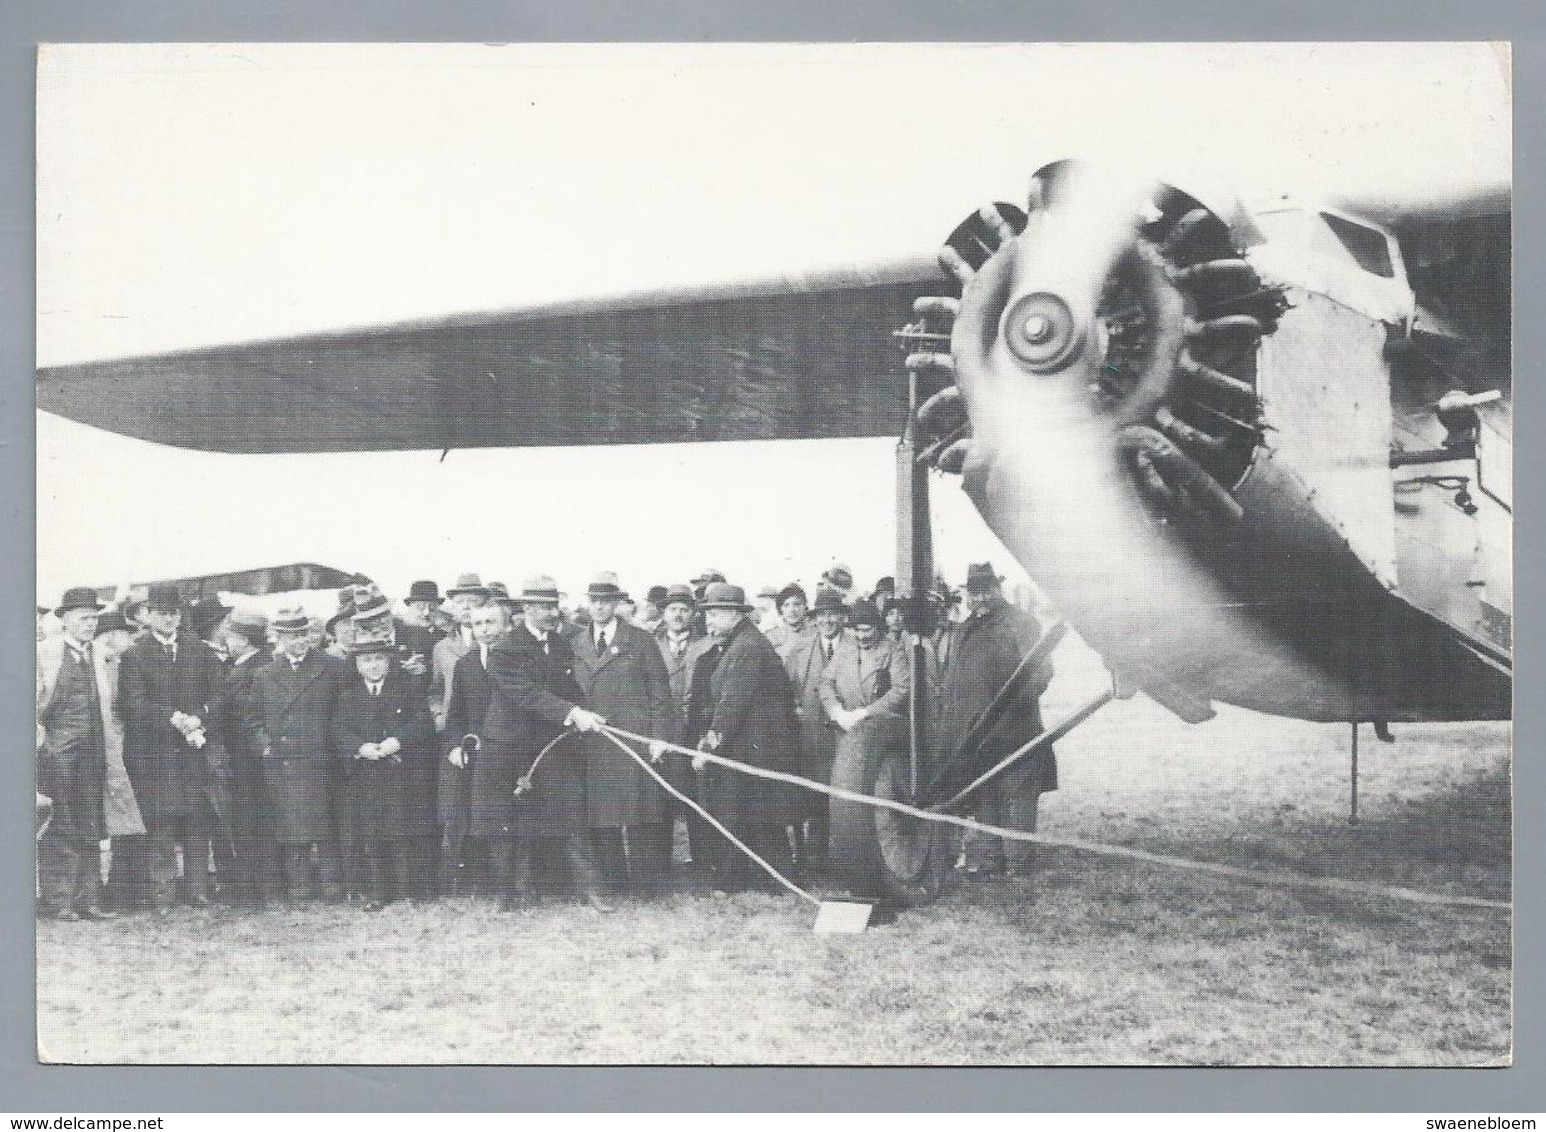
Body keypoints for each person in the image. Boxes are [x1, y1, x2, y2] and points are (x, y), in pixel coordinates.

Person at [477, 575, 612, 913]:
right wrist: (572, 713)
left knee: (572, 817)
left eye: (554, 606)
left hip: (551, 743)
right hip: (508, 746)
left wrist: (589, 714)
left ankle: (592, 892)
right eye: (545, 607)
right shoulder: (504, 650)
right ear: (526, 610)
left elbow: (565, 690)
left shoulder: (561, 645)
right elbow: (527, 695)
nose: (553, 613)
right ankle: (510, 897)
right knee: (509, 824)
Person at [931, 563, 1057, 877]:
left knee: (1018, 793)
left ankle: (1018, 861)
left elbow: (1041, 673)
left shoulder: (1022, 623)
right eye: (975, 591)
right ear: (968, 595)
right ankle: (989, 858)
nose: (982, 597)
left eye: (987, 589)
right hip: (974, 731)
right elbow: (954, 678)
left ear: (997, 589)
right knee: (983, 791)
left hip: (1014, 725)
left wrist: (1014, 705)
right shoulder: (963, 630)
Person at [685, 583, 803, 891]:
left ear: (733, 614)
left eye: (713, 614)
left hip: (758, 746)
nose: (707, 621)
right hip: (753, 744)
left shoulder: (746, 648)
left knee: (755, 813)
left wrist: (708, 746)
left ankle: (767, 880)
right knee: (755, 813)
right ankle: (764, 878)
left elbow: (731, 703)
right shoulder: (741, 642)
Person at [117, 583, 227, 911]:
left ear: (180, 616)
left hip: (194, 753)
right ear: (148, 616)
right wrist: (173, 718)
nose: (168, 619)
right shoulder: (134, 655)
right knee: (161, 825)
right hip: (154, 756)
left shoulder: (200, 651)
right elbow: (132, 703)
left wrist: (200, 717)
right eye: (161, 613)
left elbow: (220, 695)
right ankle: (162, 894)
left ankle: (197, 890)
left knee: (196, 822)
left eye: (173, 614)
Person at [570, 572, 675, 892]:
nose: (600, 608)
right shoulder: (575, 643)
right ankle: (614, 880)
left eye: (606, 602)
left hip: (633, 739)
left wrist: (660, 737)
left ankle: (647, 882)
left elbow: (660, 693)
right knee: (603, 816)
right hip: (594, 740)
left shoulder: (640, 640)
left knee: (640, 812)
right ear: (588, 604)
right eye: (594, 602)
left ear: (617, 604)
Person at [241, 605, 351, 901]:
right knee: (290, 829)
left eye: (302, 634)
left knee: (326, 827)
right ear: (278, 638)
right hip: (283, 762)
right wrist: (265, 746)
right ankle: (299, 887)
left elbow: (345, 714)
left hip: (322, 760)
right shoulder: (264, 674)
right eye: (290, 636)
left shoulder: (332, 668)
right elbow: (252, 718)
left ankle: (332, 885)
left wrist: (337, 747)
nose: (297, 641)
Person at [35, 587, 126, 920]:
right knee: (60, 823)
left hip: (94, 752)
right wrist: (40, 743)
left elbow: (111, 704)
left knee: (91, 822)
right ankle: (59, 900)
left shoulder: (101, 653)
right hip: (56, 753)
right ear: (66, 620)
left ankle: (89, 898)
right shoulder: (44, 653)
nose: (90, 624)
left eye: (94, 618)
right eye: (84, 618)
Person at [330, 635, 435, 910]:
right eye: (367, 660)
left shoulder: (408, 689)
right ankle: (377, 892)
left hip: (402, 772)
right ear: (357, 665)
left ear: (389, 662)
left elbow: (423, 722)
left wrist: (396, 741)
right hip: (366, 774)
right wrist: (359, 746)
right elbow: (339, 730)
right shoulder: (348, 696)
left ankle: (408, 890)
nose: (374, 666)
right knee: (371, 834)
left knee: (404, 830)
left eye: (379, 659)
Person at [439, 599, 510, 895]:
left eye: (490, 622)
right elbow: (456, 714)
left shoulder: (517, 657)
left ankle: (518, 885)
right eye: (478, 623)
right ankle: (485, 882)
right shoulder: (466, 663)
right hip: (478, 751)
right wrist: (455, 745)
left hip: (512, 749)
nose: (484, 629)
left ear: (504, 625)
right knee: (479, 817)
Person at [778, 586, 849, 871]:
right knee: (815, 797)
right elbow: (786, 689)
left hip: (847, 735)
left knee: (846, 797)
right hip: (812, 736)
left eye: (833, 614)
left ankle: (847, 858)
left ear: (842, 618)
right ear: (815, 618)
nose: (827, 621)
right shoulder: (800, 649)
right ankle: (815, 857)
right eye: (822, 615)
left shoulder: (855, 645)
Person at [213, 610, 281, 906]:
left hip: (247, 761)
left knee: (251, 824)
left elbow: (241, 719)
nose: (226, 641)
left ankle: (253, 891)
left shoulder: (250, 671)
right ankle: (260, 888)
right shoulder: (255, 665)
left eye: (230, 636)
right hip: (253, 758)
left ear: (242, 640)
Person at [91, 608, 150, 910]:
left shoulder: (113, 662)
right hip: (114, 750)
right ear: (113, 636)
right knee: (123, 822)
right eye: (126, 633)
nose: (131, 638)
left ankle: (123, 888)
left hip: (121, 749)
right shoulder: (108, 664)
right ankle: (118, 890)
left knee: (126, 822)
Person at [431, 573, 488, 734]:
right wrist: (438, 715)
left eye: (473, 601)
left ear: (484, 605)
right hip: (454, 729)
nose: (466, 606)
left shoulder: (496, 643)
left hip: (490, 727)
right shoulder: (441, 648)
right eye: (460, 602)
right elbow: (436, 690)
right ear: (453, 607)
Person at [763, 583, 812, 652]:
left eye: (797, 604)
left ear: (805, 607)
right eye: (786, 605)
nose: (792, 610)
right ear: (780, 610)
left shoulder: (816, 634)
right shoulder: (771, 637)